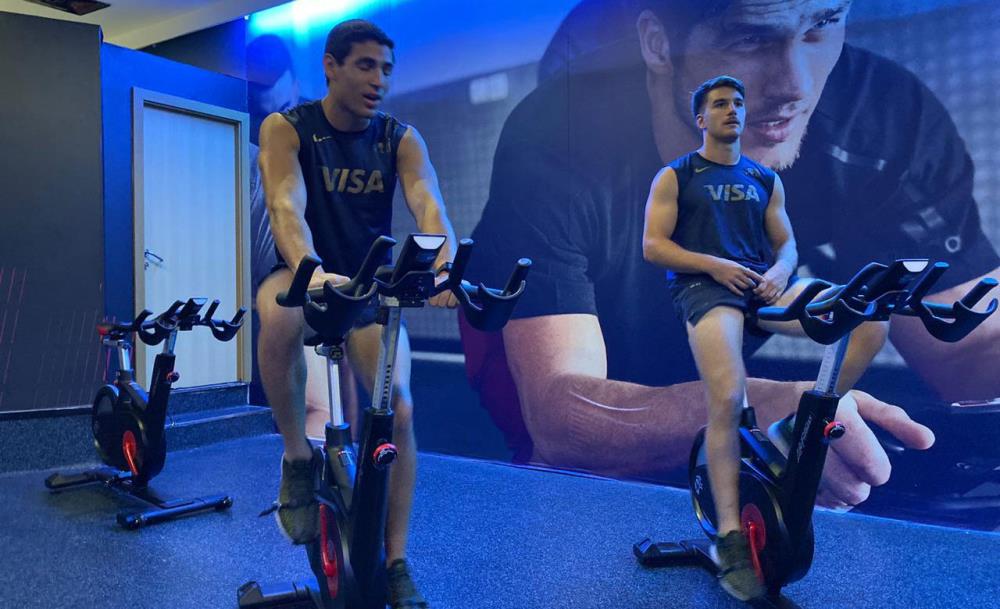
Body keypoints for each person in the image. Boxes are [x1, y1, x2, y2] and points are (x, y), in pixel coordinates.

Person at [459, 0, 994, 508]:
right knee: (564, 482)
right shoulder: (556, 132)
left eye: (822, 23)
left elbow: (972, 347)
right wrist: (745, 410)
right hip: (539, 330)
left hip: (703, 324)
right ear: (657, 43)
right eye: (749, 38)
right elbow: (562, 419)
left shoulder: (887, 117)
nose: (796, 86)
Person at [643, 75, 885, 599]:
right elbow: (654, 246)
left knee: (867, 320)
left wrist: (780, 271)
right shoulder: (676, 175)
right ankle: (730, 539)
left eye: (737, 103)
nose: (732, 110)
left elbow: (787, 244)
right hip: (705, 290)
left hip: (760, 285)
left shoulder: (765, 178)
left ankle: (794, 427)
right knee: (729, 400)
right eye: (720, 104)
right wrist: (714, 265)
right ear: (701, 118)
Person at [256, 20, 457, 608]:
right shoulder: (287, 127)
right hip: (302, 275)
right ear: (331, 66)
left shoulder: (399, 138)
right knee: (279, 315)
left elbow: (429, 204)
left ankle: (395, 562)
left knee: (401, 409)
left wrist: (443, 264)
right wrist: (311, 270)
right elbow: (285, 205)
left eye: (387, 69)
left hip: (368, 285)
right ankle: (298, 457)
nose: (379, 81)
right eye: (366, 66)